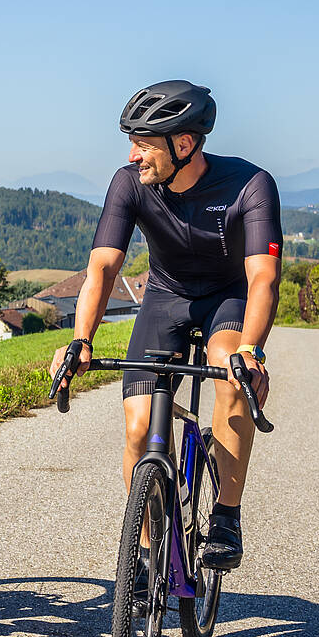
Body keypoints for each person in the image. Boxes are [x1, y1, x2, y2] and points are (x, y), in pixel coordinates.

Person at [50, 80, 280, 582]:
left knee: (230, 373)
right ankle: (149, 548)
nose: (133, 154)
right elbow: (103, 267)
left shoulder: (250, 184)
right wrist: (81, 338)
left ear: (184, 143)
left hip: (228, 299)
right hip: (165, 299)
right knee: (138, 427)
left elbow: (263, 276)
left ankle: (225, 516)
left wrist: (252, 349)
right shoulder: (129, 183)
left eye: (144, 142)